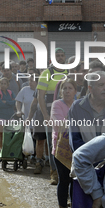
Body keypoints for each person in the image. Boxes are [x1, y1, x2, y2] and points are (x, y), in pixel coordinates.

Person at [37, 48, 69, 185]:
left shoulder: (69, 73)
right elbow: (40, 96)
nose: (60, 58)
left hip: (67, 115)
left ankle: (67, 171)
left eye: (62, 56)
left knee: (67, 143)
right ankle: (54, 173)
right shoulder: (46, 73)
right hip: (51, 115)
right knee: (53, 144)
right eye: (57, 56)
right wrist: (45, 115)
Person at [69, 71, 105, 152]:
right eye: (101, 85)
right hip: (85, 161)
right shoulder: (77, 107)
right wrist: (91, 157)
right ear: (90, 88)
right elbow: (74, 141)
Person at [51, 79, 77, 208]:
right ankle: (62, 206)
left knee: (75, 180)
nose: (67, 91)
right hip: (60, 148)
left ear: (75, 91)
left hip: (76, 148)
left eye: (70, 88)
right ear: (61, 91)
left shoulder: (78, 104)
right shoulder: (57, 104)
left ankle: (74, 204)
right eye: (64, 88)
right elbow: (58, 123)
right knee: (64, 179)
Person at [0, 77, 16, 149]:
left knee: (10, 133)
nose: (3, 85)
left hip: (10, 116)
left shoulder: (11, 92)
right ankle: (2, 149)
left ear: (7, 85)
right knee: (1, 134)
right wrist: (10, 103)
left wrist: (6, 102)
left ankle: (9, 148)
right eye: (1, 84)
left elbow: (15, 102)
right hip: (0, 116)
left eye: (5, 84)